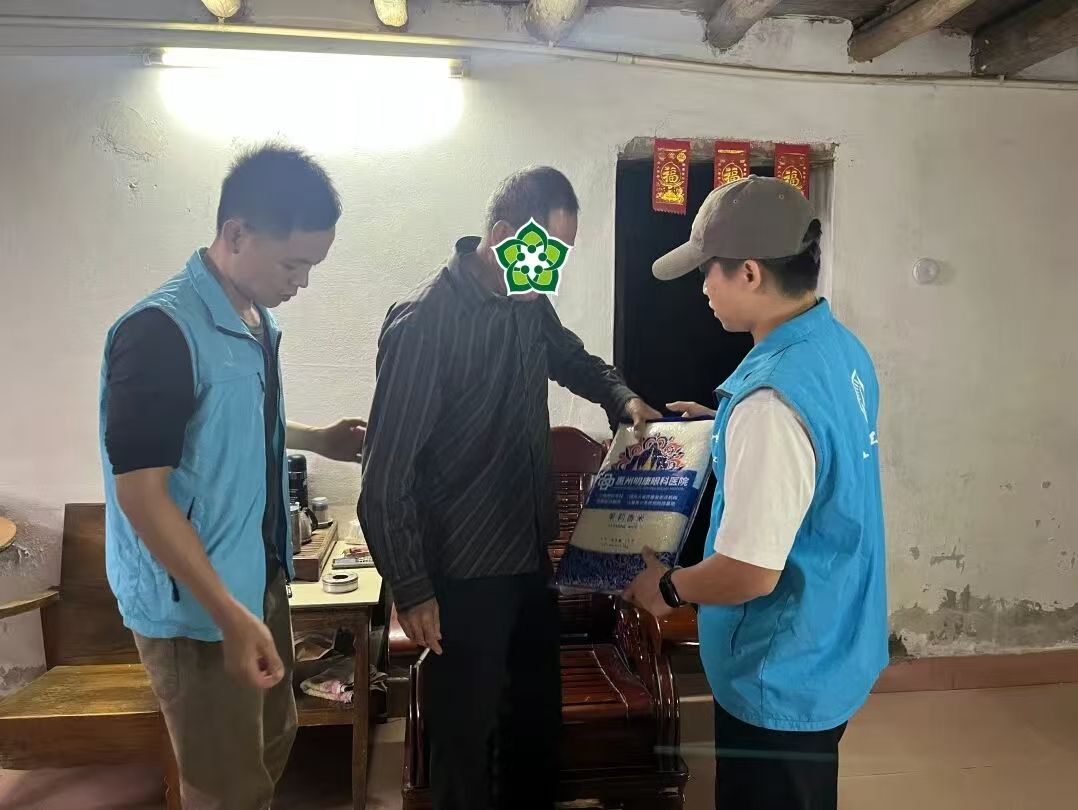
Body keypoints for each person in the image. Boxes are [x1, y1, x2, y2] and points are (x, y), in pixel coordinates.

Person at [359, 166, 660, 810]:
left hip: (527, 556)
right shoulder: (423, 324)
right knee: (466, 743)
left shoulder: (528, 303)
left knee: (533, 728)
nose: (551, 270)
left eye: (562, 255)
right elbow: (384, 479)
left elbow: (574, 360)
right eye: (545, 252)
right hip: (461, 572)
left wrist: (623, 398)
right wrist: (412, 589)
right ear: (500, 235)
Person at [99, 145, 366, 810]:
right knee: (226, 788)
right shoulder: (159, 333)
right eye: (293, 264)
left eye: (312, 266)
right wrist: (228, 614)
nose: (302, 282)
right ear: (237, 233)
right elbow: (140, 493)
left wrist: (317, 439)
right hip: (196, 610)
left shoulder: (254, 322)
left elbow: (229, 423)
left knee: (272, 744)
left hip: (256, 581)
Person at [625, 176, 887, 810]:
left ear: (748, 272)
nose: (703, 289)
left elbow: (748, 572)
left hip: (779, 670)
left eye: (707, 272)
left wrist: (665, 588)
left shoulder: (769, 403)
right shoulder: (839, 349)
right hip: (833, 639)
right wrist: (723, 425)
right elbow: (816, 458)